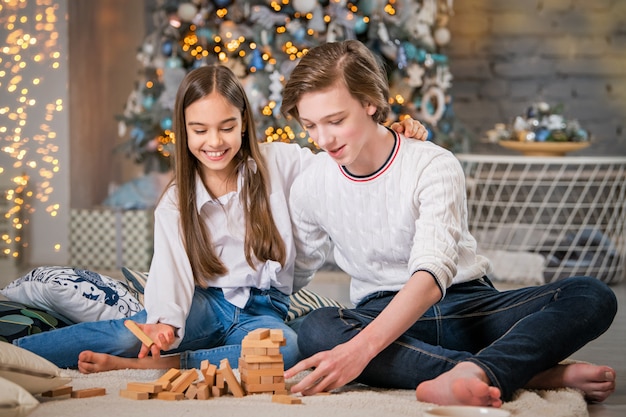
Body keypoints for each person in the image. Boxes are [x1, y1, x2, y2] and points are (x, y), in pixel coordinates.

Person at [13, 64, 428, 373]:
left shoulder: (280, 163)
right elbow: (170, 273)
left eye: (227, 127)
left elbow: (339, 162)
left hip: (264, 310)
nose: (214, 142)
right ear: (185, 131)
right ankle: (14, 355)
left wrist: (386, 134)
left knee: (287, 349)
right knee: (129, 333)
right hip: (204, 305)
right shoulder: (177, 202)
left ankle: (167, 366)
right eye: (200, 130)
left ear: (244, 124)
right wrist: (163, 323)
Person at [279, 39, 618, 408]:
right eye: (310, 124)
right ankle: (519, 373)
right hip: (381, 314)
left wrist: (358, 352)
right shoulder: (311, 184)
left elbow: (430, 276)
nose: (323, 139)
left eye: (336, 120)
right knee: (318, 329)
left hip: (468, 308)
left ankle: (468, 369)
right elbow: (293, 272)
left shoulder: (432, 163)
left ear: (370, 102)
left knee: (590, 295)